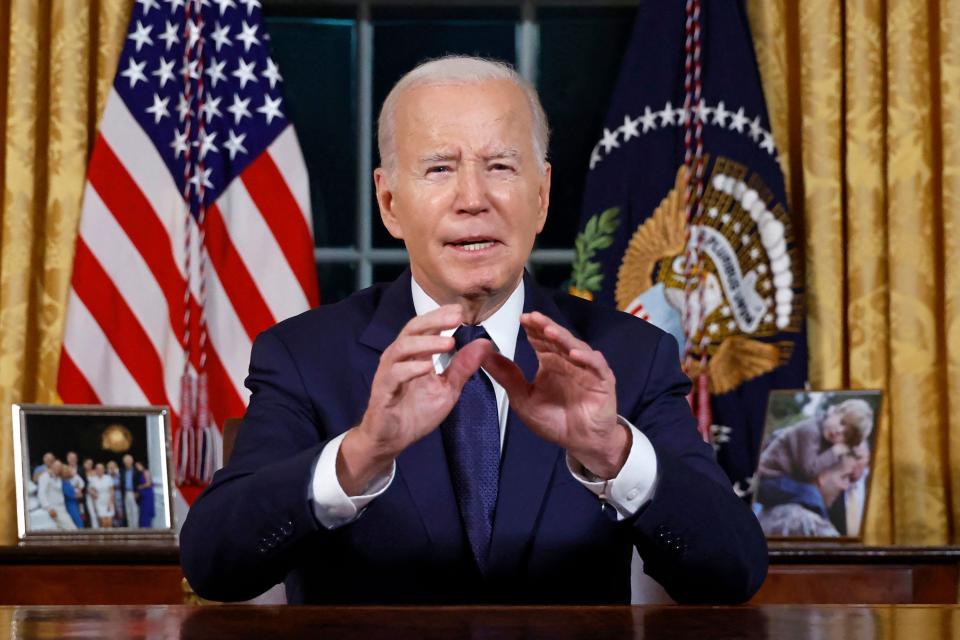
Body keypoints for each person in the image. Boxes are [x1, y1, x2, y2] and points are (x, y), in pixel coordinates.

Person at [181, 56, 767, 605]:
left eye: (501, 167)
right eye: (440, 168)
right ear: (389, 202)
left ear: (540, 198)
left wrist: (611, 451)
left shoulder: (629, 354)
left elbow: (732, 572)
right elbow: (215, 566)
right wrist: (362, 455)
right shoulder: (305, 355)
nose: (473, 199)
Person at [757, 398, 874, 486]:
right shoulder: (810, 430)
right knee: (809, 495)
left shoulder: (826, 438)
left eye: (845, 434)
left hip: (782, 477)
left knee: (810, 493)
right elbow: (808, 470)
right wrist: (835, 451)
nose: (839, 431)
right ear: (834, 411)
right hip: (768, 474)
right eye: (842, 422)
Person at [37, 461, 77, 531]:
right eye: (56, 466)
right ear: (52, 466)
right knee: (72, 529)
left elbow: (71, 476)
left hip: (62, 508)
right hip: (53, 508)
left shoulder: (59, 478)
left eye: (59, 467)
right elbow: (41, 493)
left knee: (61, 531)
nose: (57, 468)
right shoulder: (45, 476)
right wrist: (49, 508)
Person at [88, 463, 116, 528]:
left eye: (101, 469)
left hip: (108, 500)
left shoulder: (108, 478)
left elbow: (111, 490)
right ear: (96, 470)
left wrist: (110, 501)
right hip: (99, 501)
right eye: (98, 469)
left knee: (109, 521)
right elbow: (90, 490)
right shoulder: (93, 479)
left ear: (104, 470)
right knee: (103, 522)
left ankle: (110, 537)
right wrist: (94, 494)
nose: (100, 470)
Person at [121, 454, 140, 528]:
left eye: (128, 461)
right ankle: (130, 528)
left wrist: (138, 492)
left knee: (135, 511)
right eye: (125, 462)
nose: (127, 463)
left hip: (133, 493)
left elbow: (139, 482)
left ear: (131, 462)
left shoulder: (136, 471)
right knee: (128, 511)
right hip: (126, 493)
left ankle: (136, 528)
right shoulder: (122, 471)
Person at [135, 461, 155, 528]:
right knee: (142, 512)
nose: (137, 468)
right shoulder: (140, 473)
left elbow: (148, 484)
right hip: (143, 495)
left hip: (147, 495)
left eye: (138, 466)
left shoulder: (146, 472)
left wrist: (140, 486)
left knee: (146, 512)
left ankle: (147, 527)